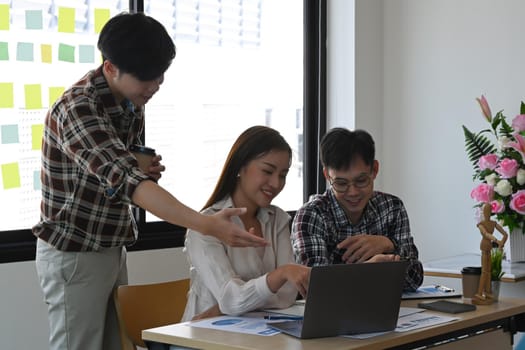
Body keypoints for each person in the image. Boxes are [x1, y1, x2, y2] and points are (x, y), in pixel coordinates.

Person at [32, 13, 266, 350]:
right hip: (75, 251)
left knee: (116, 345)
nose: (155, 86)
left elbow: (120, 173)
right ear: (111, 68)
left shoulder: (130, 101)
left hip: (110, 244)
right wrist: (205, 224)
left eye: (159, 76)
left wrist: (140, 169)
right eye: (146, 78)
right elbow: (131, 184)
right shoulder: (78, 108)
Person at [181, 126, 311, 322]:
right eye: (267, 171)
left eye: (283, 175)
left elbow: (287, 296)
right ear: (240, 166)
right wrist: (281, 274)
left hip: (256, 332)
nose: (276, 184)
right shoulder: (205, 227)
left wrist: (227, 308)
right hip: (205, 336)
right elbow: (232, 299)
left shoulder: (279, 220)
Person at [291, 127, 424, 291]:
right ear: (327, 175)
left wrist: (389, 245)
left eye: (361, 181)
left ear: (374, 170)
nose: (352, 192)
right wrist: (369, 270)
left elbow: (414, 279)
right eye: (341, 183)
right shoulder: (312, 215)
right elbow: (317, 287)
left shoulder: (392, 208)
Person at [473, 203, 508, 304]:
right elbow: (486, 234)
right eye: (485, 211)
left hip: (489, 246)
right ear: (483, 212)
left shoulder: (493, 223)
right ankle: (479, 293)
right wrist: (498, 241)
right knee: (484, 271)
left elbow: (505, 234)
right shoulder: (481, 224)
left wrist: (502, 243)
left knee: (489, 271)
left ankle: (487, 292)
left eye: (488, 211)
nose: (487, 213)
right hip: (484, 246)